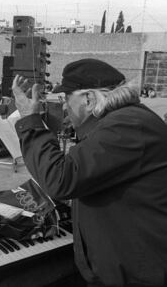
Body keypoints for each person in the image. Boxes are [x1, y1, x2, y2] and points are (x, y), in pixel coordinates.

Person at [12, 58, 167, 287]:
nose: (64, 106)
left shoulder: (126, 125)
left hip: (138, 275)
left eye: (67, 98)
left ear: (88, 98)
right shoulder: (120, 121)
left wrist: (29, 121)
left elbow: (60, 179)